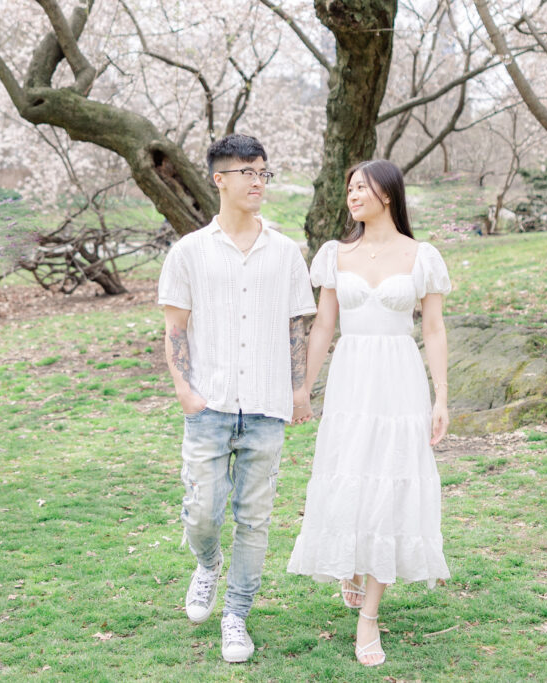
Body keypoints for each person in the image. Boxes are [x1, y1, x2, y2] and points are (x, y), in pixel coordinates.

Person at [157, 133, 316, 663]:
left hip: (268, 406)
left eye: (263, 172)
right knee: (203, 511)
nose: (257, 182)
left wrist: (298, 389)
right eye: (247, 172)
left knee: (255, 518)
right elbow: (175, 327)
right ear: (219, 179)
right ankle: (207, 563)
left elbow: (298, 326)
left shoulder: (286, 252)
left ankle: (236, 616)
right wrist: (185, 390)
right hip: (209, 404)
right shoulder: (189, 252)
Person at [286, 159, 451, 667]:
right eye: (350, 187)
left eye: (362, 187)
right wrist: (303, 388)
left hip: (400, 381)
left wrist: (442, 397)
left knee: (391, 480)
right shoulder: (335, 254)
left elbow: (434, 330)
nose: (352, 194)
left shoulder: (422, 256)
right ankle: (350, 566)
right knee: (350, 476)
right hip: (352, 379)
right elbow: (322, 326)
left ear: (387, 193)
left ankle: (369, 618)